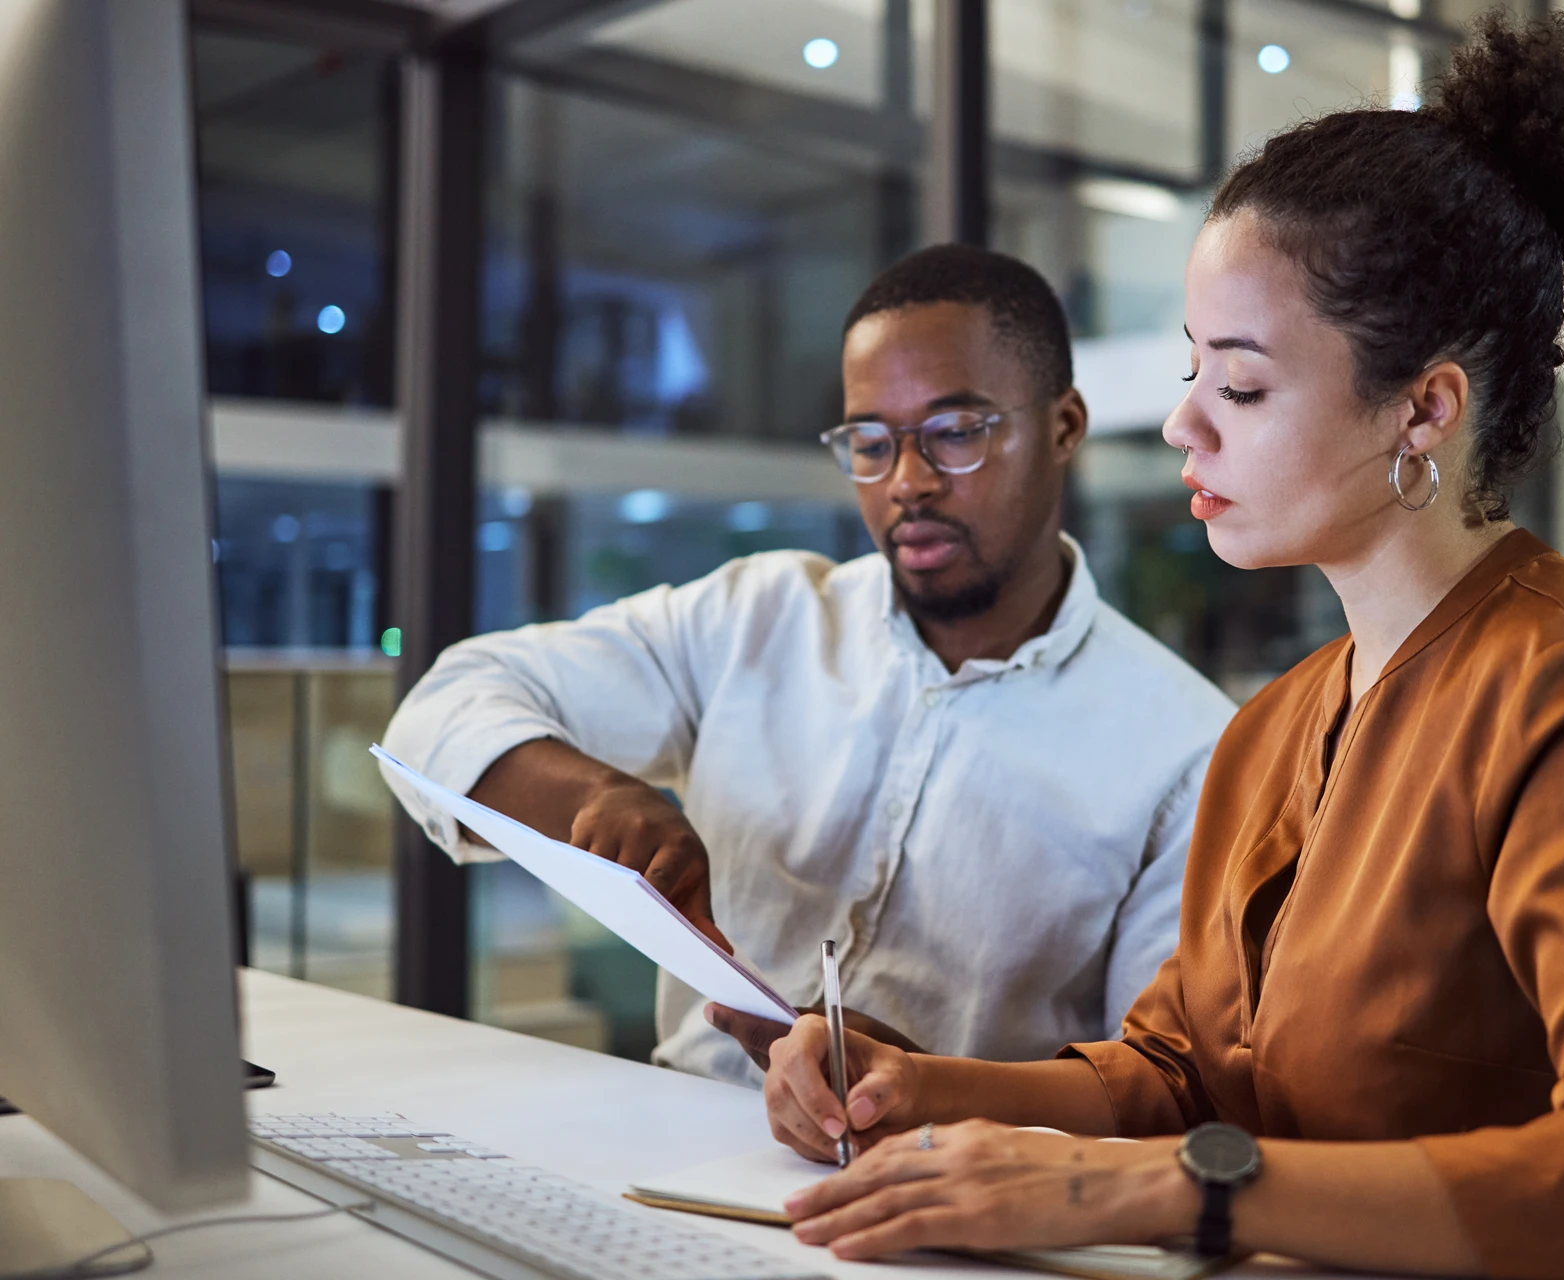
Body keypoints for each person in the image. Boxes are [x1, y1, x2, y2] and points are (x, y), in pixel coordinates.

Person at [757, 15, 1564, 1280]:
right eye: (1195, 372)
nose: (1184, 421)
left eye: (1240, 384)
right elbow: (1183, 1072)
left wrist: (1151, 1191)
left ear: (1426, 406)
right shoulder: (1278, 724)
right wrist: (920, 1085)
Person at [380, 244, 1236, 1087]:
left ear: (1063, 427)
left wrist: (927, 1084)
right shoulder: (754, 618)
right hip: (676, 1135)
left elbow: (1157, 1086)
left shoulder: (1189, 751)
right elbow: (441, 709)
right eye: (870, 441)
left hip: (955, 1187)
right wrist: (593, 797)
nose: (908, 481)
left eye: (955, 432)